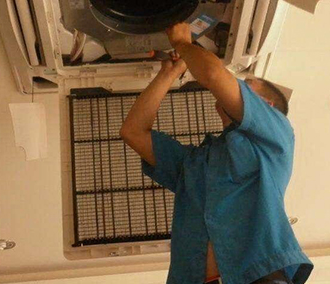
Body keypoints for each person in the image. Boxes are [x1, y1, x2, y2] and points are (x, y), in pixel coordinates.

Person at [120, 22, 313, 284]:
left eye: (245, 84)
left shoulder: (276, 137)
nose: (235, 84)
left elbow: (212, 74)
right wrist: (168, 73)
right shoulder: (196, 163)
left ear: (266, 106)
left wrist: (183, 44)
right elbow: (133, 132)